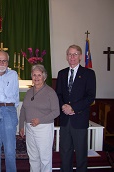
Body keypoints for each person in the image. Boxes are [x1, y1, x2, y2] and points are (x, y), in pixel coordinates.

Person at [56, 44, 96, 172]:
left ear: (80, 57)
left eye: (75, 54)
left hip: (79, 119)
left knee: (80, 153)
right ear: (66, 57)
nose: (72, 57)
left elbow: (90, 97)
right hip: (65, 119)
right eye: (69, 54)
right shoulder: (61, 73)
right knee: (65, 152)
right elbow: (59, 94)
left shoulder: (89, 73)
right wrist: (64, 106)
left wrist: (72, 108)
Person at [19, 64, 60, 172]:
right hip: (29, 128)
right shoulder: (28, 92)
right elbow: (23, 109)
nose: (36, 78)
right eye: (34, 75)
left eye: (39, 75)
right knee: (33, 158)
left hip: (44, 128)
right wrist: (21, 126)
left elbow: (56, 112)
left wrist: (40, 120)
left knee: (45, 158)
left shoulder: (50, 92)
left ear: (44, 77)